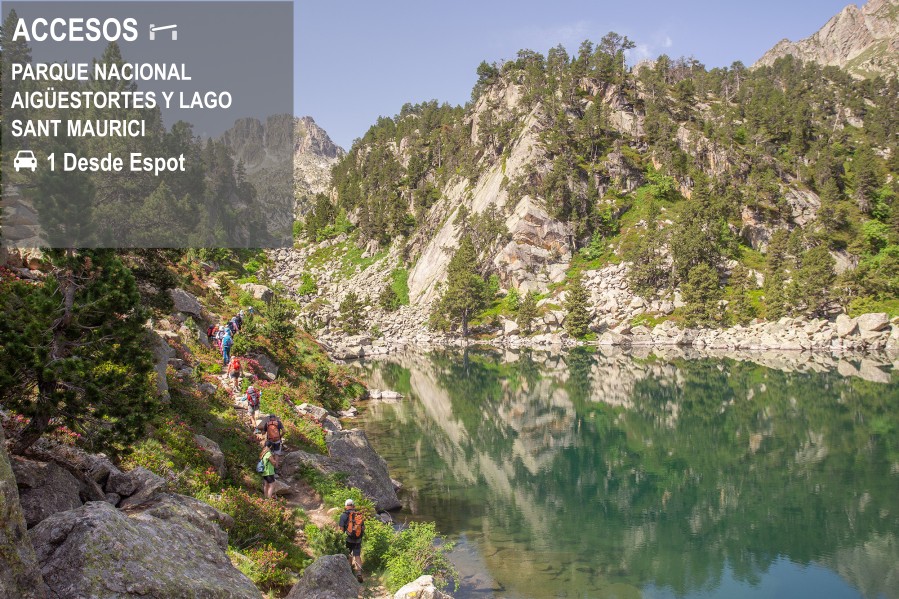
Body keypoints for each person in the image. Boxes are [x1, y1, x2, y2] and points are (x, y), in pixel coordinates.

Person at [339, 499, 365, 582]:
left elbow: (341, 529)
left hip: (348, 539)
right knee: (357, 555)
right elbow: (363, 528)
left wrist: (340, 537)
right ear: (353, 505)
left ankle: (350, 572)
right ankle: (359, 572)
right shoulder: (358, 515)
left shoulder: (343, 515)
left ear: (346, 506)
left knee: (349, 554)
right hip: (358, 539)